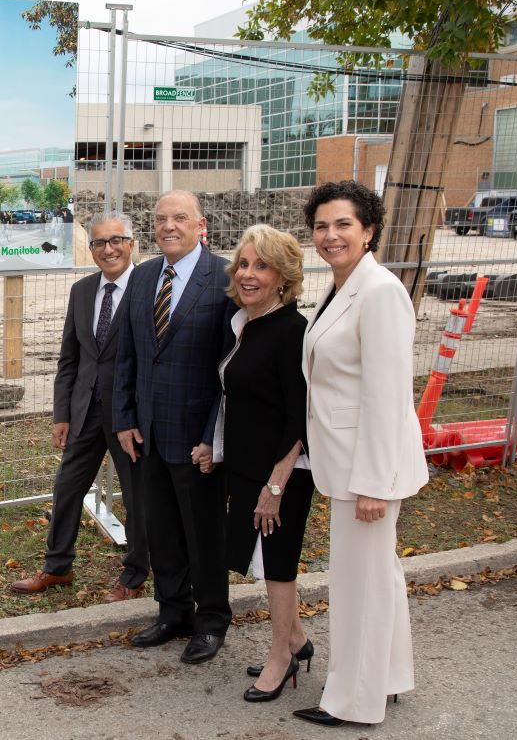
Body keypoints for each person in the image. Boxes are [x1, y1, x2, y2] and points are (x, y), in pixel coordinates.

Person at [292, 180, 428, 728]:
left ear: (369, 230)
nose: (331, 235)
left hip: (366, 471)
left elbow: (387, 395)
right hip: (346, 462)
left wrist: (375, 481)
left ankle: (353, 702)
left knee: (358, 588)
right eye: (322, 226)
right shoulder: (341, 286)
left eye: (343, 224)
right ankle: (389, 678)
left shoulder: (379, 291)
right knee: (379, 578)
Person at [112, 190, 235, 664]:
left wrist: (213, 436)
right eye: (161, 218)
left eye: (179, 218)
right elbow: (127, 354)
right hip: (147, 434)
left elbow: (229, 368)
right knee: (160, 527)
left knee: (204, 532)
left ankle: (211, 620)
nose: (169, 226)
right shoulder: (142, 277)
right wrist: (124, 419)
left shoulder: (224, 277)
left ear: (200, 224)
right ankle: (172, 612)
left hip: (197, 437)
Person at [9, 211, 149, 602]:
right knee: (67, 487)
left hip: (130, 418)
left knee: (136, 497)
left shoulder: (149, 287)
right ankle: (57, 568)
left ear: (131, 243)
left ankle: (135, 575)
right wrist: (62, 414)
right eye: (99, 243)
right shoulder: (83, 291)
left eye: (116, 240)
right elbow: (69, 358)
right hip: (85, 411)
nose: (108, 250)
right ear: (91, 249)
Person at [201, 225, 314, 702]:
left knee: (277, 564)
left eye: (261, 266)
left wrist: (276, 484)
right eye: (243, 264)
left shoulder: (292, 330)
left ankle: (280, 656)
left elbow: (299, 414)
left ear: (283, 277)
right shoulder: (242, 323)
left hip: (282, 471)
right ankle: (297, 639)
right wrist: (214, 445)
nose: (248, 274)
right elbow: (237, 398)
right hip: (247, 464)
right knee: (259, 558)